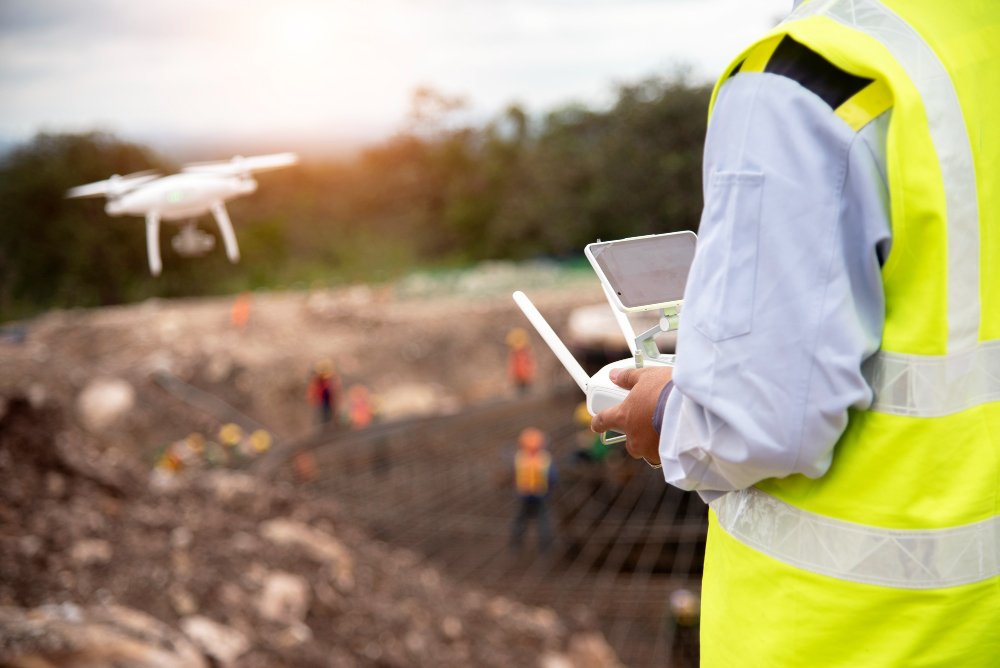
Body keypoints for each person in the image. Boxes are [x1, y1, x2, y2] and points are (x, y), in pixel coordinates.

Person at [590, 1, 1000, 665]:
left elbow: (757, 423)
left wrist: (662, 410)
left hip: (857, 638)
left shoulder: (811, 80)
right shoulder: (978, 46)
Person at [509, 427, 556, 552]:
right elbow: (552, 477)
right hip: (535, 494)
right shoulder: (544, 458)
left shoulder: (520, 457)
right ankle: (543, 548)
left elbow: (513, 474)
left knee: (525, 520)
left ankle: (517, 545)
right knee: (538, 521)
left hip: (530, 494)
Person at [307, 359, 340, 429]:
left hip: (329, 399)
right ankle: (324, 427)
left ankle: (330, 425)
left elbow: (335, 389)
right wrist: (312, 398)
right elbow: (313, 390)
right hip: (322, 400)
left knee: (329, 412)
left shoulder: (330, 379)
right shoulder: (317, 381)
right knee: (322, 413)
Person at [505, 327, 536, 395]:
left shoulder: (524, 353)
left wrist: (529, 373)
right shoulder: (514, 354)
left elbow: (529, 364)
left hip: (525, 377)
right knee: (521, 393)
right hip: (518, 378)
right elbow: (513, 366)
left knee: (527, 392)